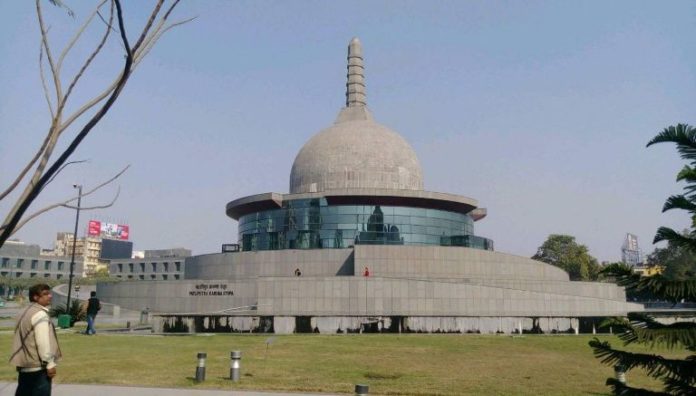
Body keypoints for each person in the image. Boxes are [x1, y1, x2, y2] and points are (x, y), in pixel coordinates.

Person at [10, 283, 62, 396]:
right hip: (38, 368)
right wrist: (50, 364)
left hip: (24, 366)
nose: (50, 296)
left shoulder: (23, 312)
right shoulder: (40, 314)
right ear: (35, 297)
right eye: (45, 294)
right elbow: (42, 342)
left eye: (49, 293)